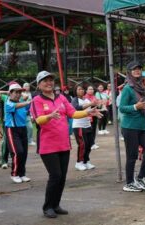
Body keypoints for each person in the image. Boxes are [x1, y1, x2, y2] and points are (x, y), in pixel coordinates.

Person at [30, 71, 102, 218]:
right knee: (55, 175)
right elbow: (38, 120)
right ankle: (47, 206)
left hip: (63, 143)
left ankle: (56, 205)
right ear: (39, 85)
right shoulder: (37, 100)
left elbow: (73, 113)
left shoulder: (61, 97)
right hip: (47, 145)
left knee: (62, 177)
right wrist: (49, 116)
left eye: (50, 80)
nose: (49, 83)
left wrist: (88, 112)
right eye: (45, 81)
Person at [119, 61, 145, 192]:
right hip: (130, 127)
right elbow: (122, 108)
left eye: (139, 69)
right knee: (132, 156)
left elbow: (144, 106)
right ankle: (129, 183)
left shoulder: (141, 87)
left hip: (142, 126)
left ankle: (141, 177)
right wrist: (134, 107)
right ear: (129, 72)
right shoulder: (127, 88)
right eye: (134, 69)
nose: (137, 71)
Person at [5, 83, 31, 183]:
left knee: (24, 153)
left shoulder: (22, 101)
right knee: (17, 151)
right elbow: (18, 105)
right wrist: (28, 101)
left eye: (20, 92)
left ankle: (22, 174)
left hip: (23, 129)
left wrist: (26, 98)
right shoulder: (8, 103)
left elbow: (28, 109)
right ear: (10, 93)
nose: (18, 94)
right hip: (12, 129)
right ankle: (14, 174)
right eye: (16, 92)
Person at [71, 85, 98, 171]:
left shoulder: (86, 99)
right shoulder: (75, 100)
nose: (81, 90)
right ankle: (79, 162)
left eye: (82, 89)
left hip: (87, 124)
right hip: (79, 125)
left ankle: (86, 161)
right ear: (75, 91)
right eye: (79, 89)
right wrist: (90, 104)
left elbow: (88, 111)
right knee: (83, 144)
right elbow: (77, 108)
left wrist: (95, 112)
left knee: (89, 144)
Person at [85, 85, 100, 150]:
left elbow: (97, 105)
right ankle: (90, 143)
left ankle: (93, 143)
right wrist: (93, 103)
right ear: (87, 90)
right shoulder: (85, 97)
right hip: (88, 116)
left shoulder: (94, 97)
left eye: (92, 89)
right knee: (89, 130)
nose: (91, 90)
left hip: (94, 115)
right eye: (90, 89)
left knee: (94, 129)